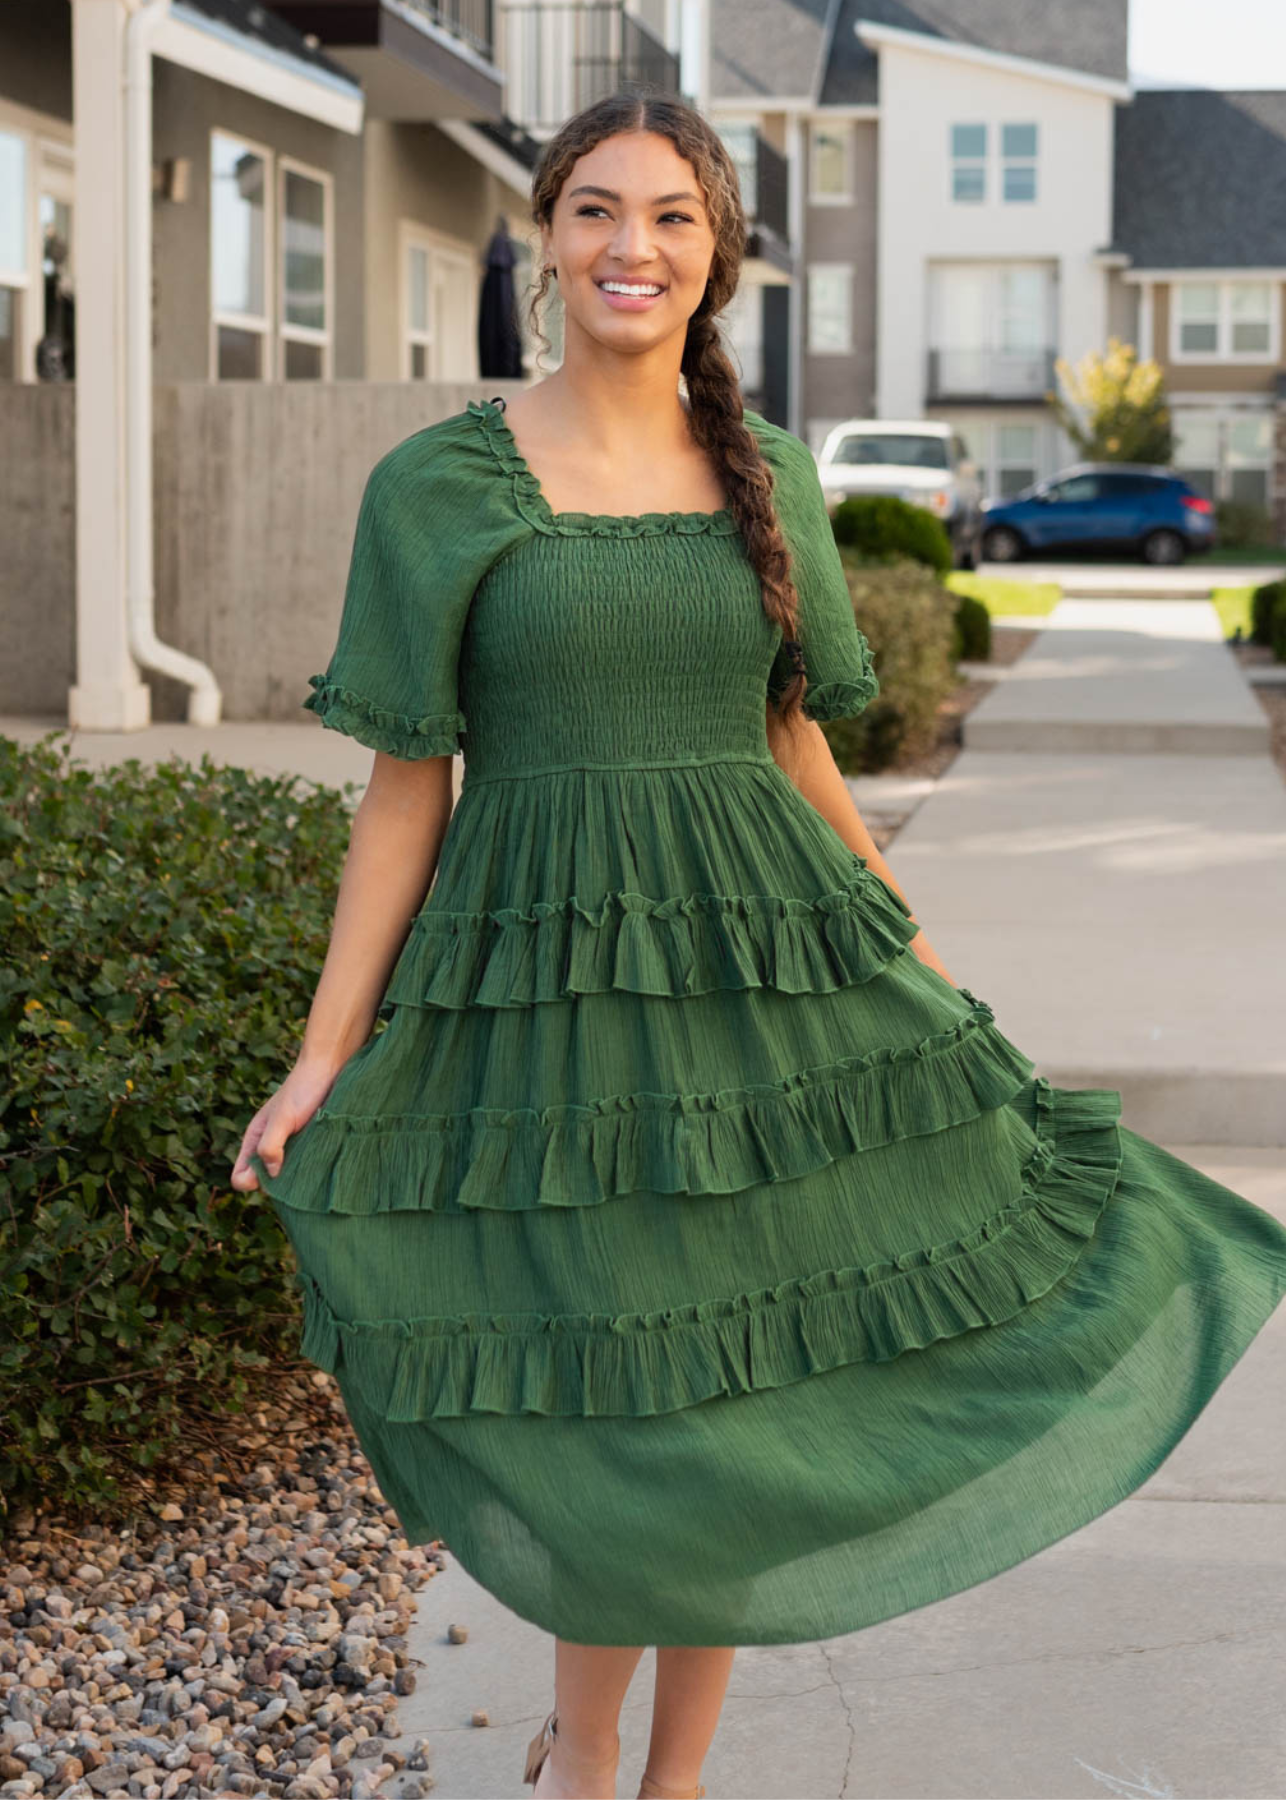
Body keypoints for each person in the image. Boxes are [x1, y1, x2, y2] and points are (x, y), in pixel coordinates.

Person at [231, 92, 1286, 1800]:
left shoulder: (767, 470)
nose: (625, 246)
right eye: (590, 210)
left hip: (756, 991)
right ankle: (585, 1768)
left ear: (717, 253)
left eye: (665, 216)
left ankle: (674, 1785)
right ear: (543, 240)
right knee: (614, 1400)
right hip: (548, 1005)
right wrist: (323, 1050)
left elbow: (791, 745)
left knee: (733, 1389)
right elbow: (404, 790)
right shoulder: (436, 484)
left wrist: (922, 976)